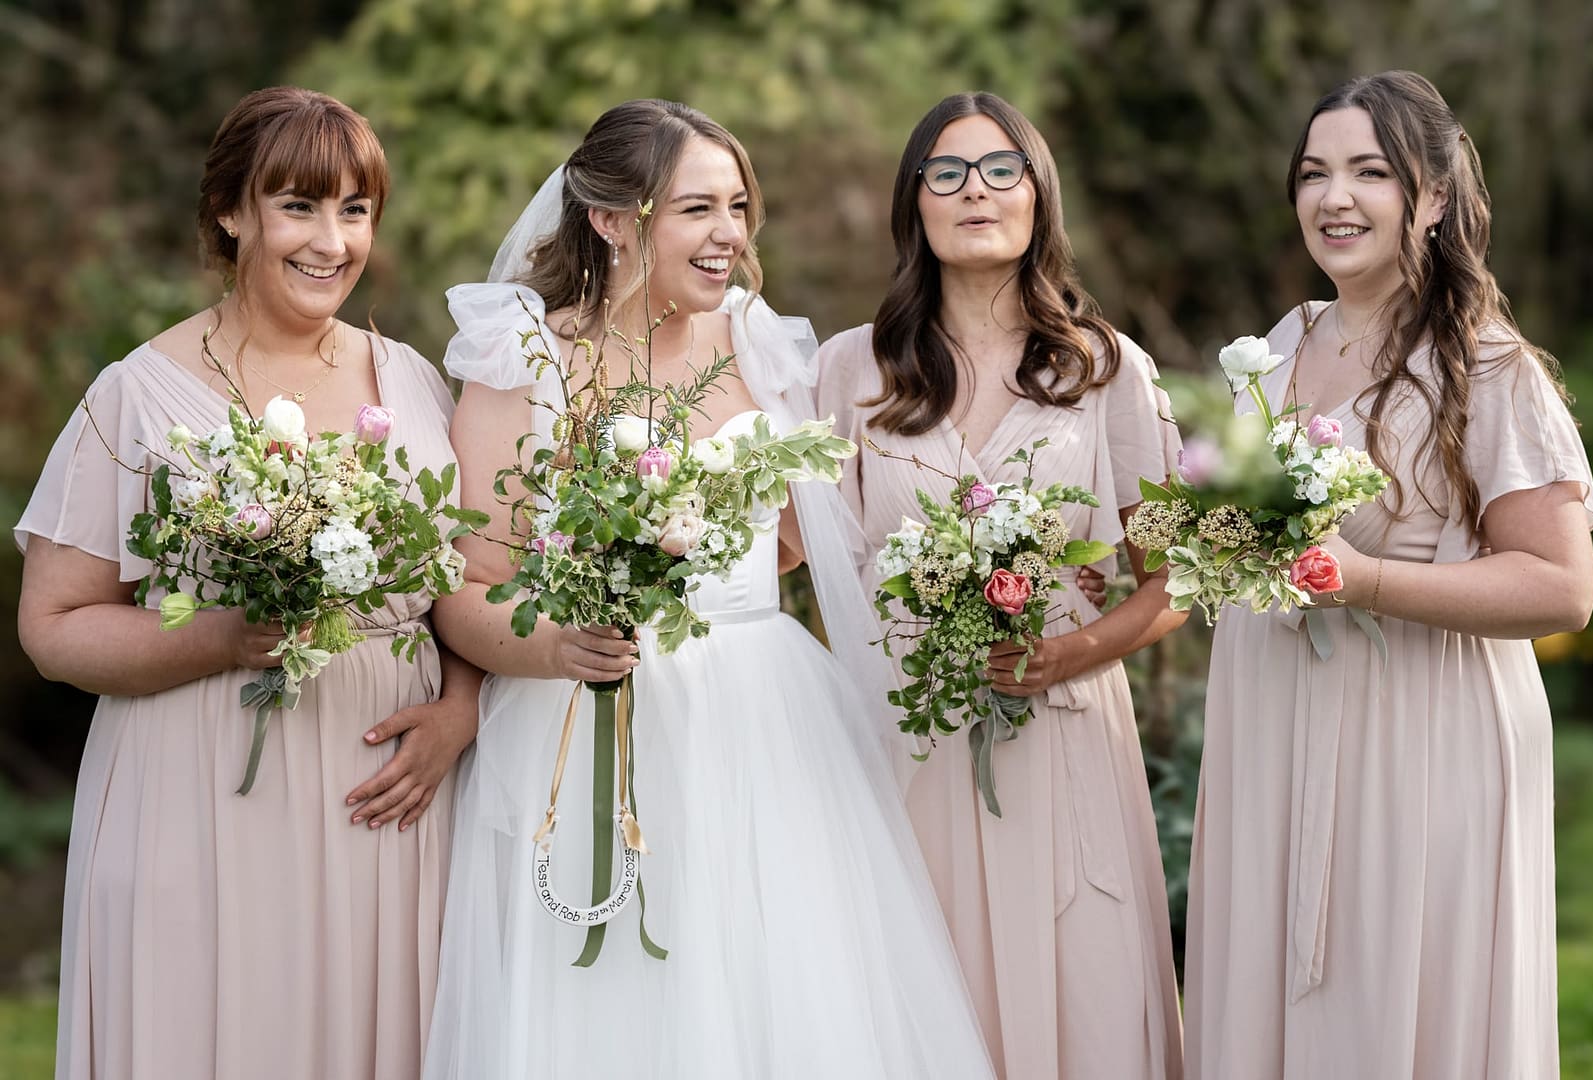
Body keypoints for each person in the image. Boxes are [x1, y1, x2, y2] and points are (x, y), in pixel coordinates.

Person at [421, 98, 994, 1080]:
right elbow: (470, 583)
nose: (730, 232)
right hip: (581, 710)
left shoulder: (758, 342)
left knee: (786, 997)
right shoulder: (526, 356)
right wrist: (561, 642)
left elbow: (784, 543)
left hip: (767, 717)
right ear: (612, 218)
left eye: (737, 206)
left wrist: (710, 565)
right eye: (697, 208)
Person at [15, 87, 480, 1080]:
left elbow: (470, 589)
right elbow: (53, 625)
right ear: (232, 212)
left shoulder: (413, 383)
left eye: (355, 210)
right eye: (299, 205)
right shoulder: (138, 396)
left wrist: (463, 714)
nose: (332, 241)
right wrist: (215, 639)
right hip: (199, 788)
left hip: (384, 799)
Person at [1184, 70, 1593, 1080]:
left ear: (1437, 197)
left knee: (1395, 1006)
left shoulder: (1489, 368)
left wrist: (1366, 581)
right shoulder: (1278, 348)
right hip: (1273, 727)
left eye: (1370, 171)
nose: (1335, 198)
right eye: (1314, 172)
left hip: (1421, 736)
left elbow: (1560, 586)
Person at [816, 91, 1187, 1080]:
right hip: (904, 750)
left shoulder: (1106, 370)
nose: (973, 191)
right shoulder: (849, 371)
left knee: (1086, 1015)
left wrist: (1069, 650)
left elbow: (1172, 579)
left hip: (1064, 744)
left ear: (1038, 196)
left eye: (999, 170)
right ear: (915, 204)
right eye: (946, 172)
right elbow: (795, 564)